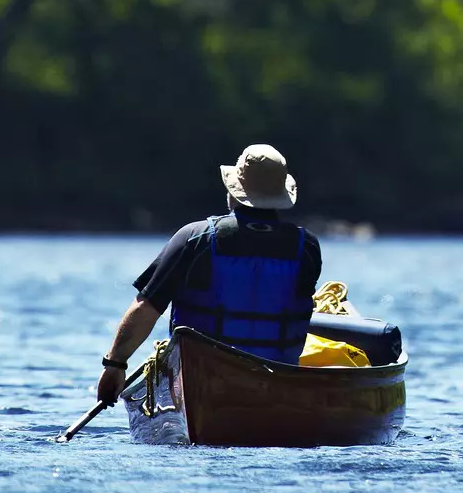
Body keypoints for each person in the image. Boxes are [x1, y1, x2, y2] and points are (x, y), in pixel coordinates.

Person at [94, 143, 323, 405]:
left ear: (233, 190)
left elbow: (146, 308)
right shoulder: (307, 247)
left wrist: (114, 364)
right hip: (277, 385)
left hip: (202, 383)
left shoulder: (196, 238)